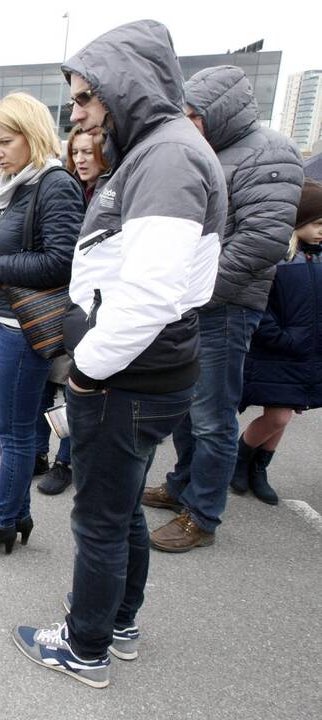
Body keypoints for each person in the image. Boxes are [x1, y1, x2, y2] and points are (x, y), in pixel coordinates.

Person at [11, 19, 227, 689]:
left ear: (122, 87)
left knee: (98, 517)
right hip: (147, 371)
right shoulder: (159, 150)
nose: (74, 113)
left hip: (127, 376)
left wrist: (85, 369)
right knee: (121, 505)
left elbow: (150, 293)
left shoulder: (164, 157)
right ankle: (118, 622)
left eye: (82, 97)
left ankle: (84, 646)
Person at [143, 64, 304, 553]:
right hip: (190, 301)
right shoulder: (203, 151)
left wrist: (197, 291)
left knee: (212, 416)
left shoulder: (270, 152)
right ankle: (181, 486)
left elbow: (262, 240)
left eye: (193, 115)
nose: (186, 124)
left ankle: (203, 513)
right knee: (186, 410)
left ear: (219, 113)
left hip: (227, 305)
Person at [0, 92, 83, 555]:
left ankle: (3, 519)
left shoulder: (54, 184)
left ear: (33, 134)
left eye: (4, 142)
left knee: (15, 431)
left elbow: (61, 262)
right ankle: (17, 511)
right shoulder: (8, 182)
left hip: (23, 327)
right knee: (7, 424)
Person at [234, 179, 322, 504]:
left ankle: (259, 467)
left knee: (288, 412)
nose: (320, 230)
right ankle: (241, 458)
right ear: (298, 221)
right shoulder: (280, 260)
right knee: (279, 415)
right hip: (279, 352)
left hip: (307, 354)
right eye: (316, 223)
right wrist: (281, 338)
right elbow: (262, 307)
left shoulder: (318, 258)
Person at [33, 126, 109, 496]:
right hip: (59, 300)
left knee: (75, 386)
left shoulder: (112, 194)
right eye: (75, 152)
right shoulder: (67, 188)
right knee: (47, 381)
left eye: (89, 152)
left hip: (93, 305)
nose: (81, 159)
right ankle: (38, 452)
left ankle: (66, 461)